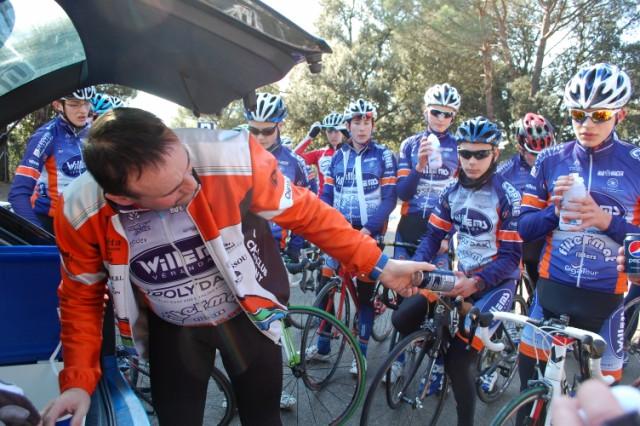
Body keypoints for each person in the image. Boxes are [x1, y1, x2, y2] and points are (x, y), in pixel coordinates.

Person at [40, 107, 430, 426]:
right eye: (172, 192)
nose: (190, 187)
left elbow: (309, 214)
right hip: (174, 328)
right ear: (122, 198)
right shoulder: (79, 210)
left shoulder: (231, 155)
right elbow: (81, 296)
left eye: (188, 169)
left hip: (247, 313)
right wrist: (77, 381)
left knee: (263, 419)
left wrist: (379, 265)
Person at [392, 116, 522, 426]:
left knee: (459, 362)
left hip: (496, 283)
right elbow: (434, 236)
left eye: (481, 154)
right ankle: (443, 343)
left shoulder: (507, 196)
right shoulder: (450, 190)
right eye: (466, 153)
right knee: (402, 317)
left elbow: (512, 257)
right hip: (460, 276)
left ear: (495, 154)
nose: (472, 161)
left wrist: (477, 282)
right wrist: (418, 266)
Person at [518, 63, 637, 391]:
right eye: (577, 114)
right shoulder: (549, 159)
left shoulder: (636, 162)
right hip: (552, 290)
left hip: (606, 301)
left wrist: (605, 221)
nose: (586, 124)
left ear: (620, 115)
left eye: (599, 115)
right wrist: (554, 213)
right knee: (529, 386)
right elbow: (524, 228)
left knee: (602, 401)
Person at [307, 98, 397, 374]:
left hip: (368, 232)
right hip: (339, 231)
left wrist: (370, 227)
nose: (362, 128)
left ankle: (361, 353)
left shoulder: (384, 155)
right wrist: (318, 221)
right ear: (348, 126)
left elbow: (390, 197)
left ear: (372, 125)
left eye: (366, 122)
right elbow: (328, 194)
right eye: (356, 123)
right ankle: (323, 346)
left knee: (365, 296)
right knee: (326, 285)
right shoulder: (337, 157)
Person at [8, 86, 95, 233]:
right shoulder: (46, 136)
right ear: (57, 105)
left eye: (87, 103)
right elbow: (18, 193)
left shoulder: (92, 133)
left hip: (83, 221)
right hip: (50, 220)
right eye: (74, 104)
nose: (83, 111)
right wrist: (38, 236)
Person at [244, 92, 315, 262]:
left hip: (273, 243)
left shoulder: (295, 162)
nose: (260, 137)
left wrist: (296, 244)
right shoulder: (236, 155)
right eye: (254, 130)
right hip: (238, 240)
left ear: (280, 125)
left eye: (267, 131)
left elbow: (304, 209)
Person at [395, 83, 461, 263]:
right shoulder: (409, 145)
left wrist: (448, 235)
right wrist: (419, 168)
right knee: (403, 288)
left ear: (452, 118)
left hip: (441, 227)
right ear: (426, 111)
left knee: (435, 289)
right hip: (410, 224)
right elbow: (402, 193)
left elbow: (462, 198)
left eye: (447, 114)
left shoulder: (460, 148)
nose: (440, 118)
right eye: (435, 112)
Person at [497, 112, 555, 288]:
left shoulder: (559, 165)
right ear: (521, 149)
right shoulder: (504, 172)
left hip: (546, 240)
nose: (541, 160)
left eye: (546, 152)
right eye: (534, 154)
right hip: (514, 241)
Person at [293, 112, 347, 195]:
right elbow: (292, 157)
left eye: (336, 131)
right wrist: (309, 137)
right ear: (326, 132)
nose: (333, 135)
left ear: (343, 131)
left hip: (346, 202)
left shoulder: (354, 151)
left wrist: (349, 135)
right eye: (329, 131)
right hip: (324, 202)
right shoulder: (320, 154)